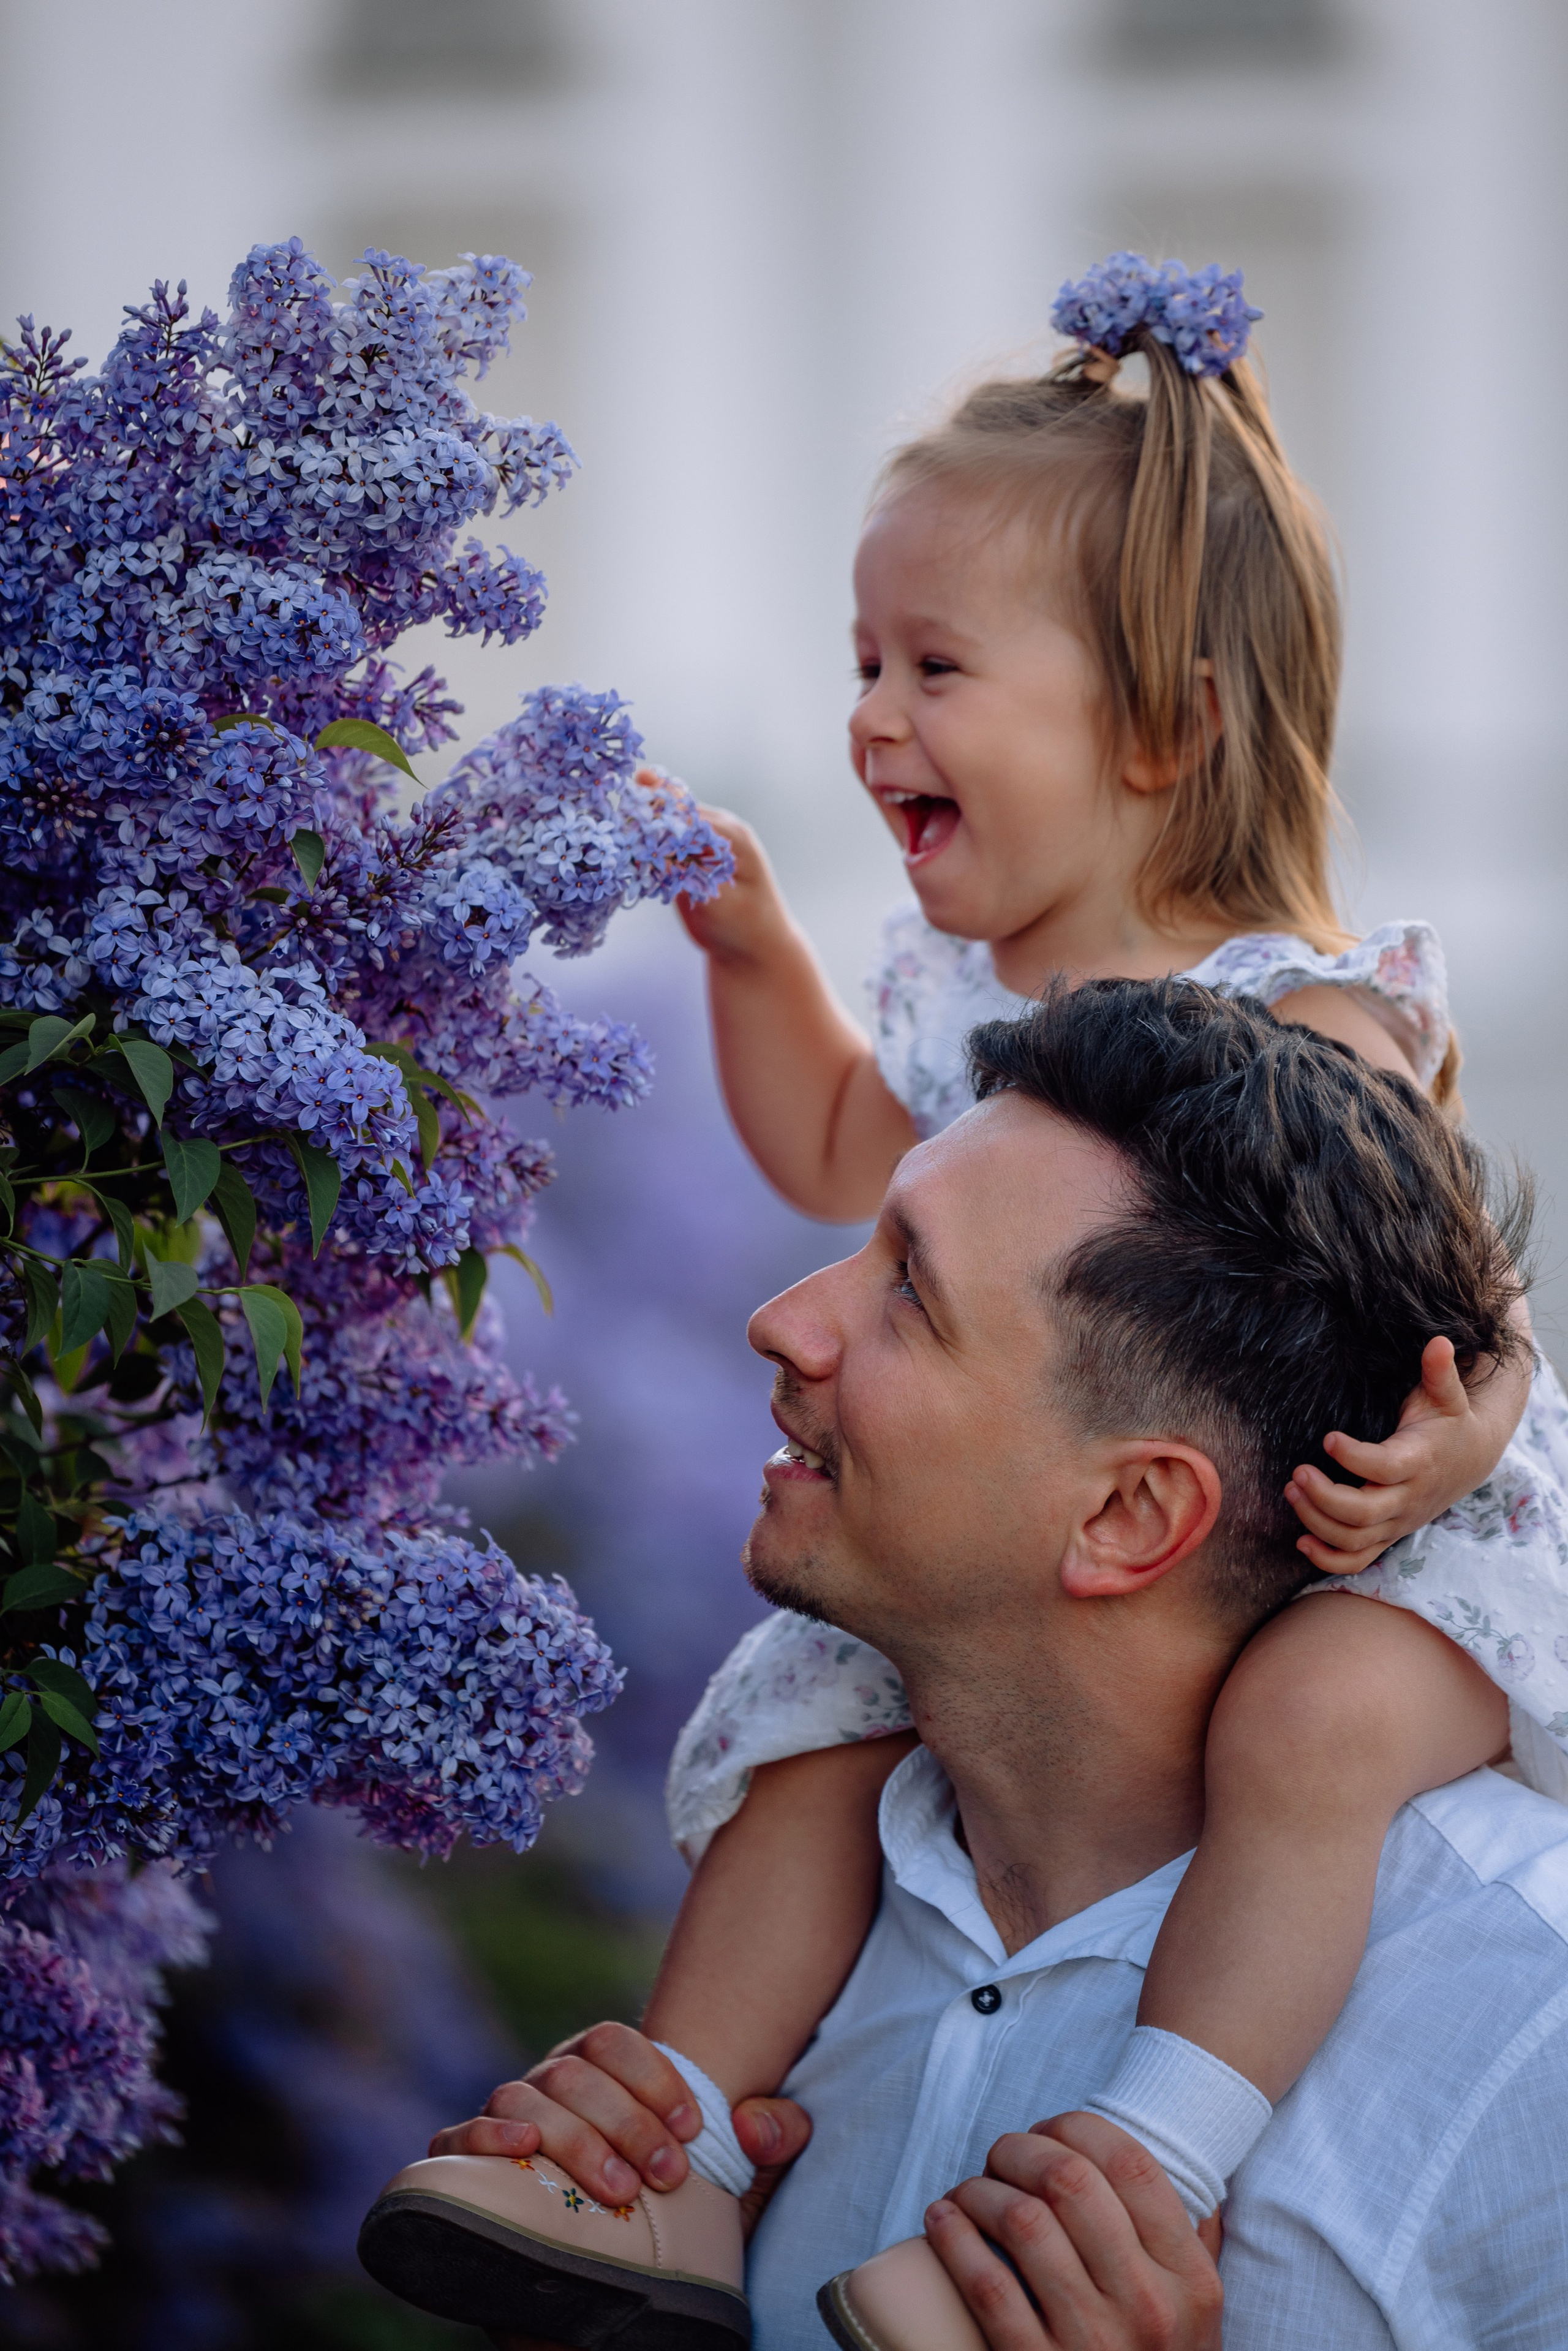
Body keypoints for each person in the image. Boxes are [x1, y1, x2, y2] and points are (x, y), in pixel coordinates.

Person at [388, 981, 1568, 2349]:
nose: (780, 1319)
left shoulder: (1526, 2027)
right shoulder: (788, 1965)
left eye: (907, 1293)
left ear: (1128, 1515)